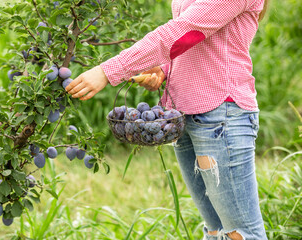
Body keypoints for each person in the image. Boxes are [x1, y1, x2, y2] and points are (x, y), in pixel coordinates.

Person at [66, 0, 269, 239]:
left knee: (241, 234)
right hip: (183, 116)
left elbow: (182, 30)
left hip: (221, 116)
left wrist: (108, 70)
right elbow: (194, 41)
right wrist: (165, 69)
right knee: (214, 230)